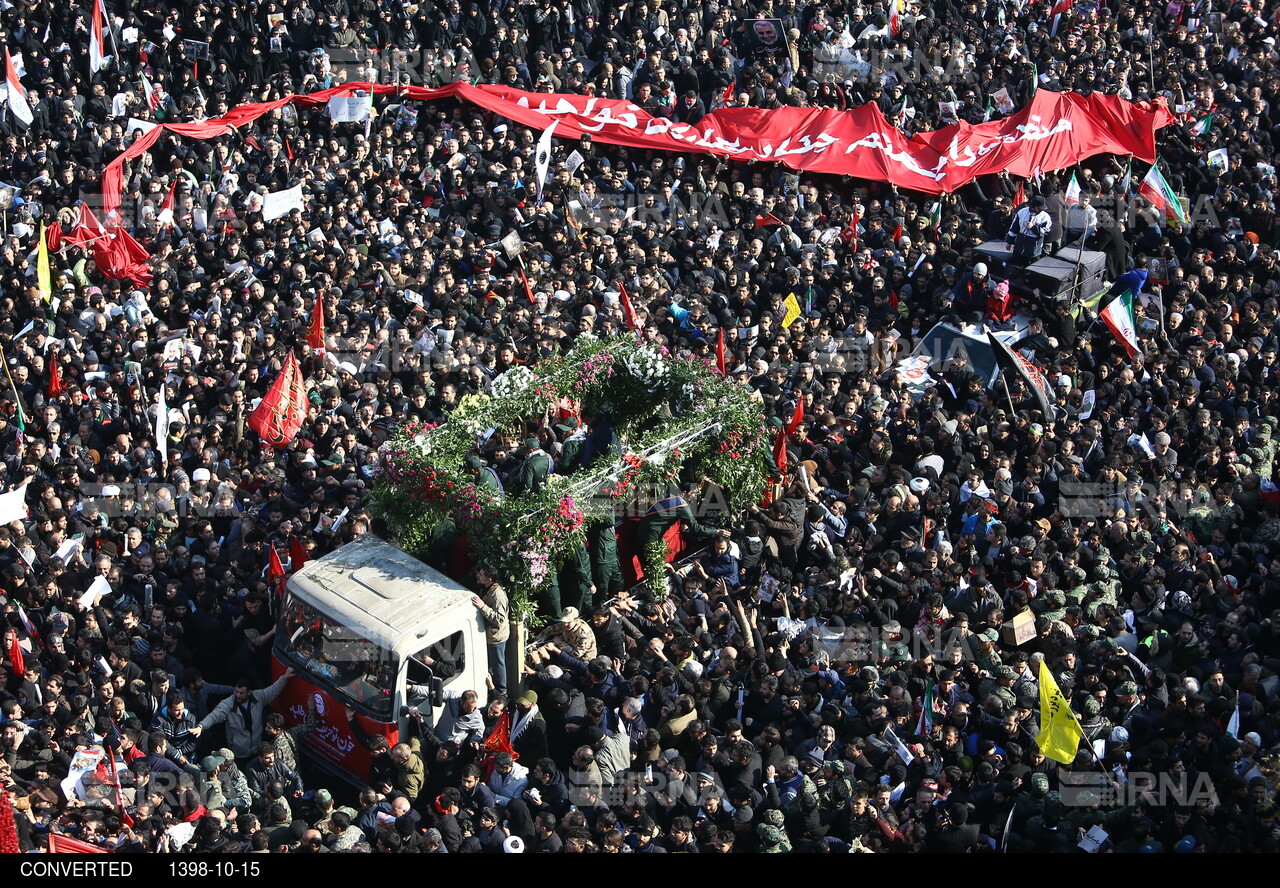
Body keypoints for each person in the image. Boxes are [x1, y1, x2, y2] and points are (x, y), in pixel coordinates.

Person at [193, 669, 296, 761]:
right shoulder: (228, 704)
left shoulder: (258, 697)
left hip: (256, 749)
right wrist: (201, 726)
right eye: (236, 692)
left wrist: (285, 677)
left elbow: (272, 690)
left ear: (249, 692)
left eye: (241, 693)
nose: (237, 695)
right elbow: (214, 716)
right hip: (238, 753)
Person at [471, 565, 511, 697]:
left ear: (489, 579)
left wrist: (483, 607)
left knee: (498, 664)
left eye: (481, 574)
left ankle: (501, 691)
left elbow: (499, 619)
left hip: (496, 636)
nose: (478, 576)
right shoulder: (486, 588)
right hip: (488, 633)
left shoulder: (498, 595)